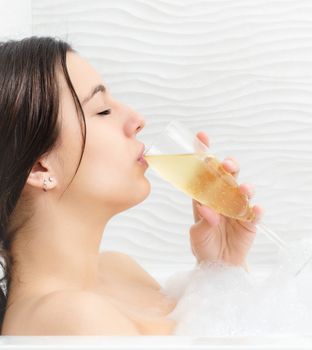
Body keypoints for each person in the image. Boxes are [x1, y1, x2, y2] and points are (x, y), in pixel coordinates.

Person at [0, 36, 263, 335]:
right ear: (39, 167)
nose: (138, 120)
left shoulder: (120, 270)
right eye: (101, 110)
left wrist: (223, 268)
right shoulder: (68, 318)